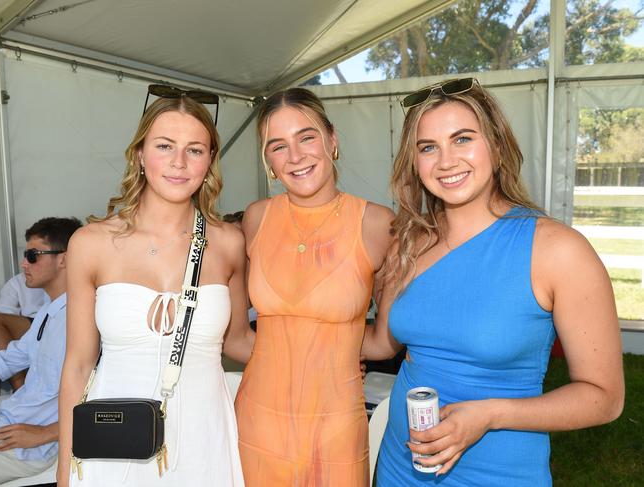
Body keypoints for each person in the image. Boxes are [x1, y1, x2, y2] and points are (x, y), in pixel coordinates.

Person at [372, 78, 624, 486]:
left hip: (497, 472)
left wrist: (490, 414)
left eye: (463, 139)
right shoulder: (409, 243)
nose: (445, 160)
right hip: (400, 467)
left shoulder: (557, 250)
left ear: (498, 147)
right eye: (428, 147)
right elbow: (384, 344)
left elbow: (605, 398)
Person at [57, 90, 253, 486]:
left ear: (210, 160)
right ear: (140, 155)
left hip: (203, 440)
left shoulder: (229, 242)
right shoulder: (91, 243)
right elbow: (77, 365)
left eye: (195, 150)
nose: (179, 163)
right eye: (165, 146)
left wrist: (320, 359)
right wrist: (65, 469)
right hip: (113, 443)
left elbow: (239, 342)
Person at [234, 87, 394, 486]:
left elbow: (383, 344)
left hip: (336, 428)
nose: (295, 156)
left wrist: (333, 347)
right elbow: (237, 336)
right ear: (268, 162)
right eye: (278, 146)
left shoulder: (377, 224)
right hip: (256, 422)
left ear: (332, 140)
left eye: (306, 137)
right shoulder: (256, 218)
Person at [0, 217, 81, 485]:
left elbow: (104, 396)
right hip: (8, 422)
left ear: (64, 259)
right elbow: (7, 360)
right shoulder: (48, 312)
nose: (23, 264)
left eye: (33, 255)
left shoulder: (82, 318)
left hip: (25, 447)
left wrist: (47, 433)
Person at [0, 272, 48, 390]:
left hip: (46, 325)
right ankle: (20, 387)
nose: (24, 263)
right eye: (25, 256)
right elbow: (3, 316)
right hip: (30, 329)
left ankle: (20, 387)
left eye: (33, 256)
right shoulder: (17, 283)